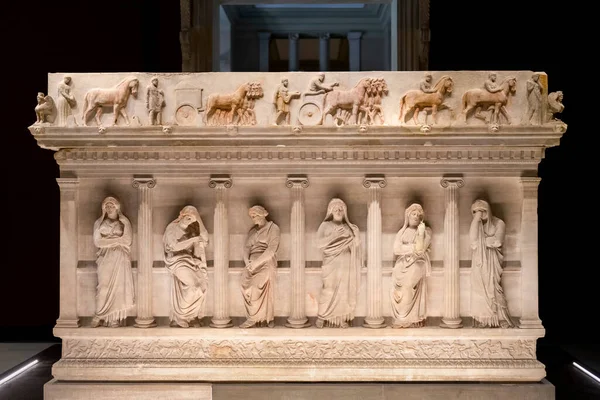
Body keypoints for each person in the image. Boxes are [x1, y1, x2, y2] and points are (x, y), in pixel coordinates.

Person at [315, 198, 362, 328]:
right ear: (330, 211)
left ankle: (340, 319)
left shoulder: (348, 227)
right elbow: (319, 244)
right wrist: (334, 235)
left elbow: (355, 245)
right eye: (336, 209)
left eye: (341, 209)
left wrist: (357, 235)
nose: (339, 211)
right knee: (328, 289)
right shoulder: (325, 225)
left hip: (346, 264)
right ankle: (322, 316)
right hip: (331, 263)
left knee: (343, 292)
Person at [469, 199, 515, 328]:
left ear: (488, 210)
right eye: (475, 212)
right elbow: (472, 242)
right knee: (479, 291)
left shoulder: (498, 223)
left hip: (492, 262)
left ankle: (500, 319)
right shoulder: (476, 225)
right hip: (478, 262)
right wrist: (476, 220)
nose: (479, 214)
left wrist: (481, 242)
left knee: (494, 289)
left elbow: (497, 241)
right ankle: (485, 320)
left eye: (482, 211)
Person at [91, 197, 135, 328]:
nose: (109, 208)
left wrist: (110, 242)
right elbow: (98, 242)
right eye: (107, 206)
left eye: (112, 206)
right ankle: (100, 314)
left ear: (117, 207)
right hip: (105, 258)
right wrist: (117, 241)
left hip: (120, 258)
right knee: (103, 287)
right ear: (103, 209)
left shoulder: (124, 222)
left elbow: (127, 240)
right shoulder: (99, 223)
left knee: (119, 288)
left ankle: (114, 319)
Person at [163, 205, 209, 328]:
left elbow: (205, 238)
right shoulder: (172, 228)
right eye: (187, 217)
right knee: (194, 286)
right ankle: (180, 316)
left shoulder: (191, 230)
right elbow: (174, 247)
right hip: (177, 261)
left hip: (190, 261)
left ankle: (192, 316)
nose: (188, 220)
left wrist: (198, 220)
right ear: (181, 216)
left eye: (191, 219)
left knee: (202, 287)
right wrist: (193, 240)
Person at [390, 203, 432, 328]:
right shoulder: (402, 232)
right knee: (397, 291)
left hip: (418, 262)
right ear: (407, 216)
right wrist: (412, 248)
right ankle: (401, 318)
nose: (416, 217)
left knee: (408, 286)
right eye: (413, 214)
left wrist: (420, 233)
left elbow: (420, 249)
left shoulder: (426, 231)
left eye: (419, 215)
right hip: (401, 264)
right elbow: (396, 249)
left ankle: (410, 318)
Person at [240, 205, 281, 328]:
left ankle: (254, 318)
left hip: (265, 262)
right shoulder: (253, 231)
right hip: (251, 264)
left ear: (264, 214)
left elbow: (271, 250)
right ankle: (256, 316)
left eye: (256, 215)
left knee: (254, 287)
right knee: (244, 285)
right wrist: (247, 262)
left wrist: (256, 263)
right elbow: (246, 247)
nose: (254, 218)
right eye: (252, 216)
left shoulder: (273, 228)